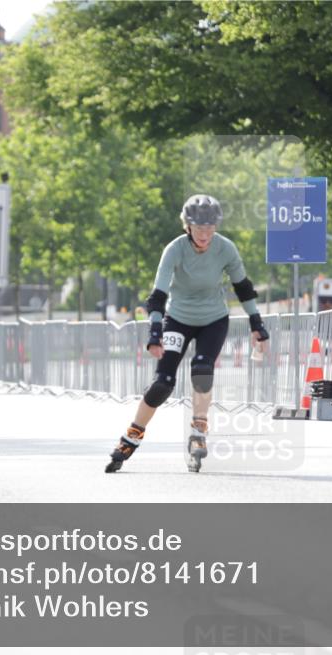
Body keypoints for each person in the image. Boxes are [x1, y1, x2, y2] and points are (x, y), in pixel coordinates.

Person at [106, 194, 270, 474]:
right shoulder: (175, 249)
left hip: (213, 319)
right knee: (163, 383)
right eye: (199, 228)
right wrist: (155, 332)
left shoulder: (226, 249)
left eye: (210, 228)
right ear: (187, 226)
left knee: (202, 370)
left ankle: (199, 430)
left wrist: (257, 323)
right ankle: (131, 437)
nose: (205, 234)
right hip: (178, 319)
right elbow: (158, 295)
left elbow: (243, 287)